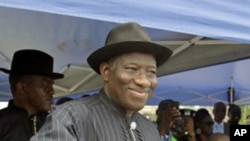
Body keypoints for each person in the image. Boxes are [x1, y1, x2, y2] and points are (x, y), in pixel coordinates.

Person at [30, 22, 173, 141]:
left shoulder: (149, 129)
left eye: (151, 72)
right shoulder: (71, 119)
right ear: (106, 71)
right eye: (132, 69)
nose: (144, 81)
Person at [0, 49, 64, 141]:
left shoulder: (54, 123)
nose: (52, 91)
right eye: (45, 84)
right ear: (22, 87)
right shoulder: (3, 123)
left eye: (52, 85)